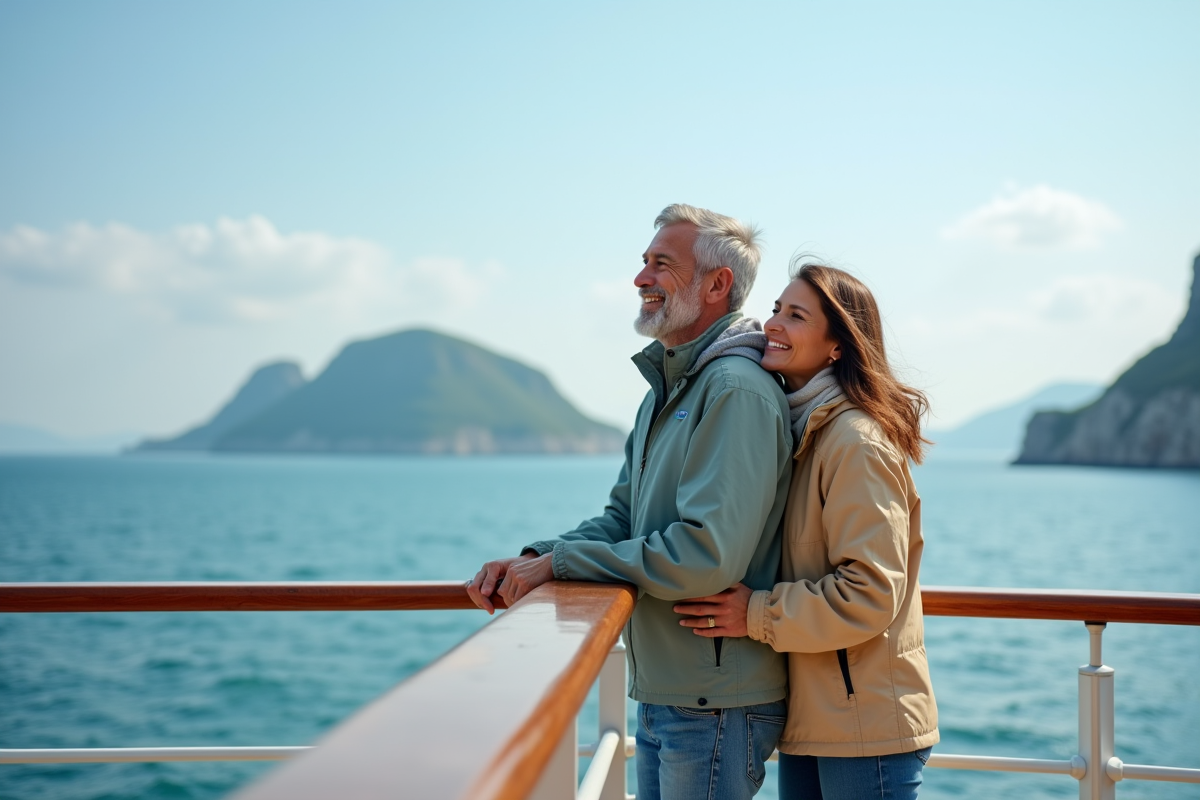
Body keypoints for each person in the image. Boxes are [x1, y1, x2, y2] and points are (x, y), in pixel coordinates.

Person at [467, 204, 794, 800]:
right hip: (674, 689)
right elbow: (623, 516)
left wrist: (561, 566)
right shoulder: (669, 390)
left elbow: (705, 555)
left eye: (661, 264)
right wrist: (537, 556)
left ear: (718, 285)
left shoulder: (735, 391)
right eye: (643, 262)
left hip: (714, 700)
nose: (641, 278)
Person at [674, 261, 939, 800]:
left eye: (795, 316)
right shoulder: (806, 431)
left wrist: (756, 613)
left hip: (866, 728)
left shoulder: (854, 440)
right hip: (820, 721)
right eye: (775, 309)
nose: (772, 324)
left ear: (838, 345)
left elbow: (869, 593)